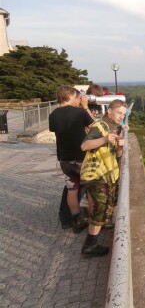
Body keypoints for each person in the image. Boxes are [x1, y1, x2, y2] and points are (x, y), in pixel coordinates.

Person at [80, 99, 126, 257]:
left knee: (106, 208)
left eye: (123, 114)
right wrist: (105, 139)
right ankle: (89, 246)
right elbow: (84, 146)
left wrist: (120, 146)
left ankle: (93, 240)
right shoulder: (100, 126)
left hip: (107, 174)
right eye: (119, 113)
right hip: (95, 174)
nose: (121, 117)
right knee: (101, 209)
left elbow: (117, 155)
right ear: (109, 111)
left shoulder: (116, 128)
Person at [49, 86, 94, 233]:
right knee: (90, 188)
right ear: (69, 97)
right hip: (81, 158)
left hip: (64, 159)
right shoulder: (80, 112)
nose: (78, 100)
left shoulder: (53, 114)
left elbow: (60, 130)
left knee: (72, 189)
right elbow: (97, 127)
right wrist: (85, 107)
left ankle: (75, 219)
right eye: (77, 97)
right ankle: (93, 219)